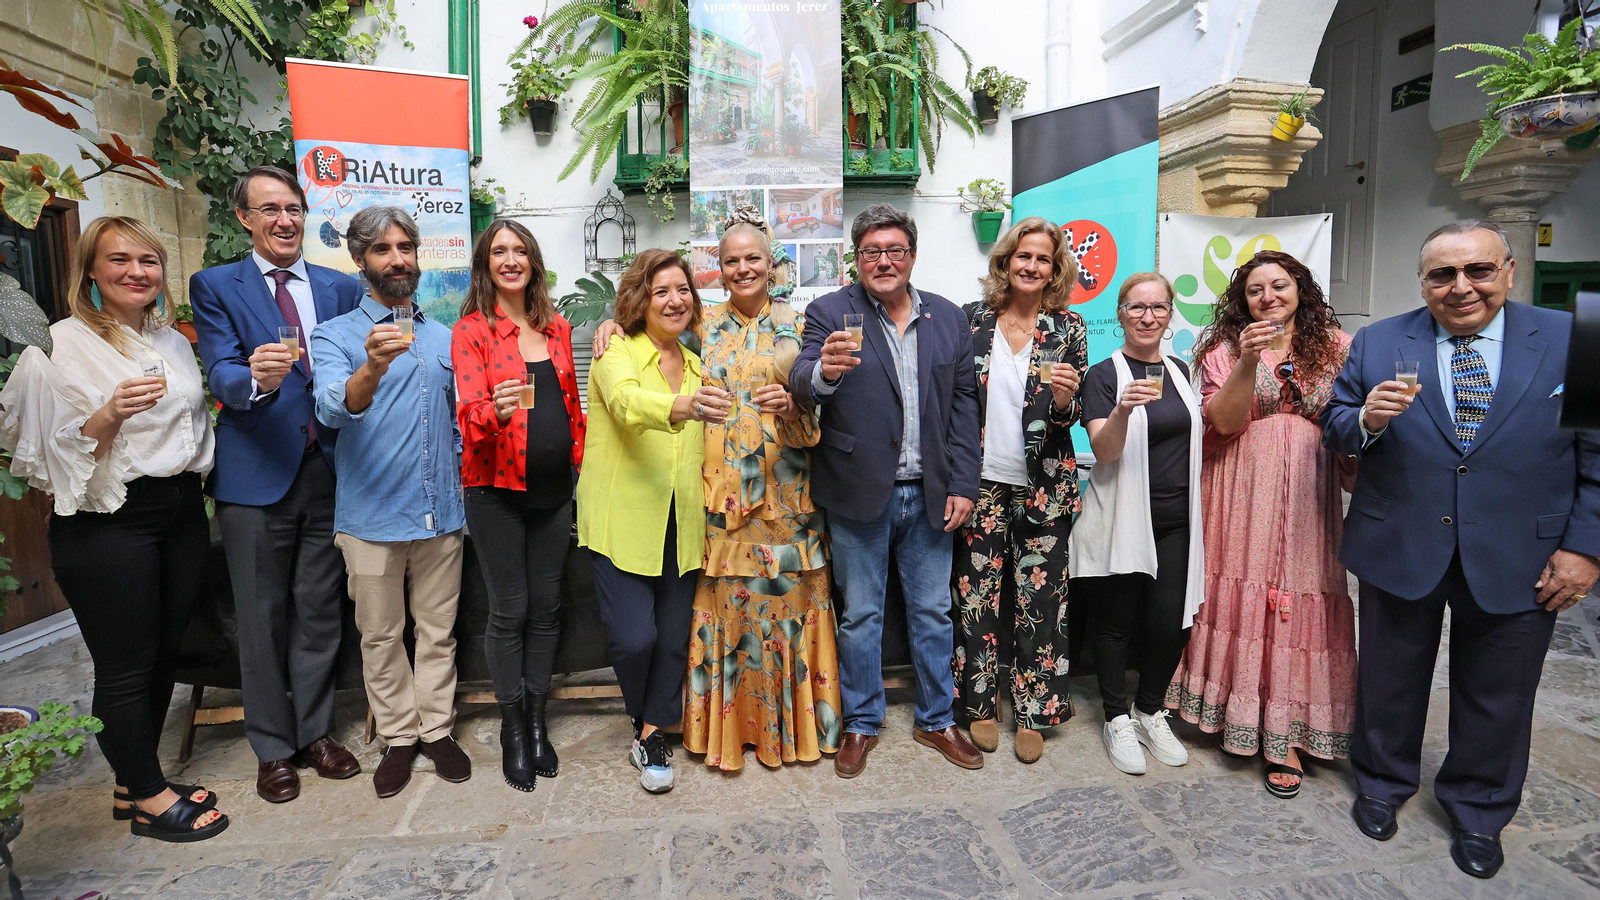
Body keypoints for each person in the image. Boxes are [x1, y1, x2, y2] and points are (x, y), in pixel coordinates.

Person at [1322, 220, 1600, 879]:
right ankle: (1383, 785)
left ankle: (1479, 811)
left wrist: (1585, 550)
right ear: (1423, 282)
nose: (1461, 286)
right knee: (1389, 678)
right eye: (1442, 274)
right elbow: (1335, 424)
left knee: (1501, 691)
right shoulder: (1381, 339)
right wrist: (1366, 420)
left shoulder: (1575, 339)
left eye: (1478, 269)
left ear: (1508, 270)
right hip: (1401, 540)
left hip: (1521, 551)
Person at [0, 216, 229, 841]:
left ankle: (138, 784)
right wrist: (105, 416)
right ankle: (150, 800)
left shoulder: (172, 341)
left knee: (163, 654)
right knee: (125, 664)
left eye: (148, 261)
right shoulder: (55, 346)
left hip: (181, 510)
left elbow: (189, 428)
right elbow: (34, 456)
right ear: (92, 272)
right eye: (120, 260)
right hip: (110, 520)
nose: (137, 272)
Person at [190, 165, 364, 803]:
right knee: (260, 618)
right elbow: (221, 374)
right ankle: (272, 748)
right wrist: (256, 380)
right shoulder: (215, 285)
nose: (285, 220)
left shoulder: (339, 287)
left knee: (320, 613)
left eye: (293, 208)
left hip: (329, 472)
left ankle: (316, 733)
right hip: (255, 477)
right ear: (245, 218)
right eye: (270, 210)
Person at [791, 203, 983, 778]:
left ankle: (936, 719)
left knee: (932, 611)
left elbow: (963, 407)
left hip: (931, 494)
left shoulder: (949, 319)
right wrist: (824, 371)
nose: (884, 261)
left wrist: (964, 484)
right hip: (858, 492)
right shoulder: (830, 312)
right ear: (856, 259)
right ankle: (861, 724)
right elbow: (802, 381)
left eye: (895, 250)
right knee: (861, 617)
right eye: (871, 252)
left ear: (913, 257)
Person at [1166, 250, 1356, 799]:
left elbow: (1347, 422)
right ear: (1241, 301)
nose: (1268, 297)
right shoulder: (1225, 349)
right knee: (1238, 598)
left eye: (1279, 285)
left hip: (1308, 496)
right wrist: (1250, 361)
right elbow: (1223, 423)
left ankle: (1289, 733)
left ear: (1300, 288)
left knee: (1303, 595)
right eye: (1255, 290)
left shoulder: (1340, 349)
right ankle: (1233, 713)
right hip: (1239, 489)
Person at [310, 206, 470, 799]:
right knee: (380, 637)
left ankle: (437, 731)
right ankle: (399, 738)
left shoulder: (442, 337)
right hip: (371, 518)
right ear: (359, 260)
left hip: (440, 515)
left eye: (406, 247)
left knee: (437, 633)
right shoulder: (334, 336)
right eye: (382, 249)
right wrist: (372, 367)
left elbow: (456, 425)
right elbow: (331, 409)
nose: (398, 258)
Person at [576, 249, 726, 793]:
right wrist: (681, 409)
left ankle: (650, 733)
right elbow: (624, 404)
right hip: (621, 520)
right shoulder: (616, 349)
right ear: (641, 298)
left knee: (670, 639)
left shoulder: (694, 364)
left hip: (681, 521)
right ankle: (647, 717)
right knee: (634, 638)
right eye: (661, 290)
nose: (674, 300)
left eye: (682, 289)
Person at [454, 220, 587, 792]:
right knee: (510, 609)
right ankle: (513, 728)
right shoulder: (472, 331)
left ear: (533, 261)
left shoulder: (555, 328)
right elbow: (468, 422)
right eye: (499, 251)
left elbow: (572, 403)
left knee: (548, 607)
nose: (510, 260)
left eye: (520, 251)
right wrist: (497, 412)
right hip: (495, 493)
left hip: (555, 493)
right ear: (486, 263)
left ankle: (537, 721)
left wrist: (576, 457)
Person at [952, 217, 1087, 764]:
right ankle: (981, 705)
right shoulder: (972, 322)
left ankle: (1034, 710)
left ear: (1055, 270)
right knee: (976, 598)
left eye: (1043, 259)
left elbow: (1072, 414)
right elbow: (959, 402)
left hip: (1045, 487)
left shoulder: (1069, 328)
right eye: (1023, 256)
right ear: (1006, 261)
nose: (1031, 266)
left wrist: (1061, 404)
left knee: (1043, 602)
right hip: (980, 486)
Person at [1070, 273, 1204, 777]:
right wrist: (1123, 410)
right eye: (1136, 308)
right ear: (1121, 313)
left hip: (1176, 520)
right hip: (1123, 517)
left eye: (1158, 307)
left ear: (1171, 314)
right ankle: (1115, 717)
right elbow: (1105, 452)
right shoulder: (1104, 375)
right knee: (1115, 624)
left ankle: (1149, 710)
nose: (1148, 317)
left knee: (1170, 624)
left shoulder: (1183, 371)